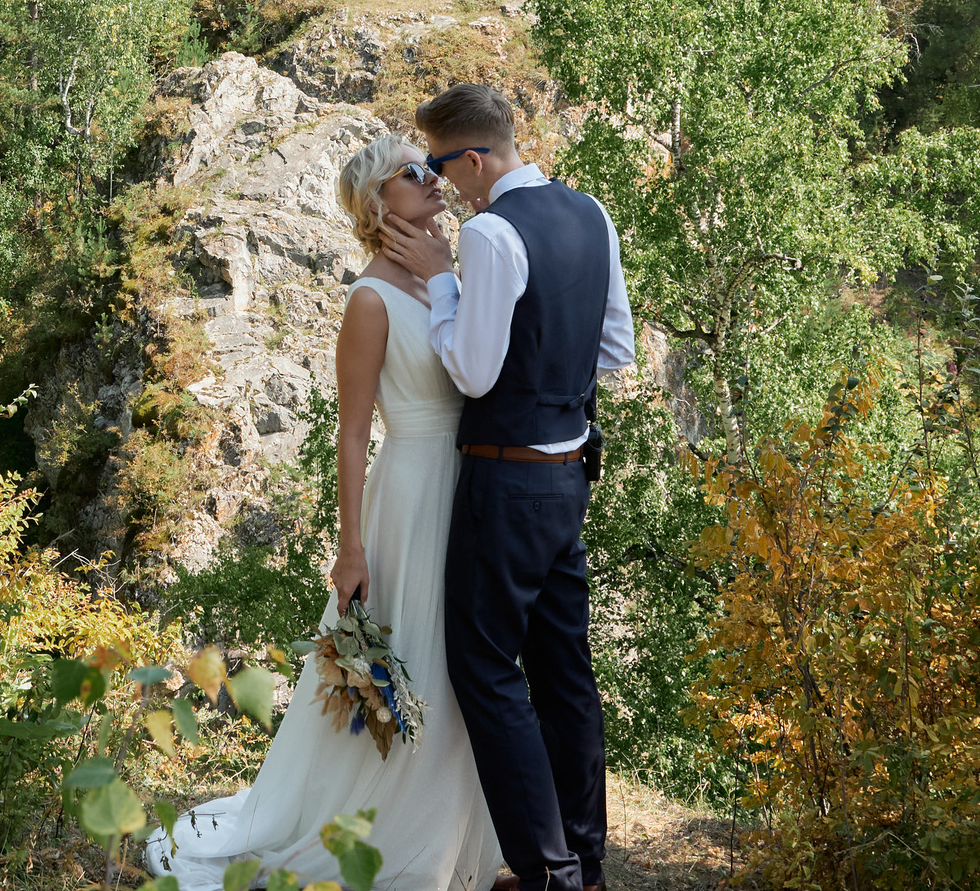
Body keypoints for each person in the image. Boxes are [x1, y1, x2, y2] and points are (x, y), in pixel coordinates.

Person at [145, 133, 504, 891]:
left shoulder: (442, 278)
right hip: (409, 494)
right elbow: (350, 430)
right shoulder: (370, 298)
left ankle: (448, 841)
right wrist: (351, 548)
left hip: (465, 488)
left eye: (428, 164)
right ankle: (390, 840)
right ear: (380, 205)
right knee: (410, 664)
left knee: (459, 662)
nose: (431, 176)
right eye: (413, 172)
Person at [384, 83, 633, 891]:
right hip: (569, 477)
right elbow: (616, 346)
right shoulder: (590, 211)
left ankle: (544, 871)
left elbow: (474, 369)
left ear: (477, 157)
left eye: (440, 164)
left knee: (486, 669)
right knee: (565, 670)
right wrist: (549, 374)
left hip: (507, 481)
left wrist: (444, 280)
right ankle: (586, 863)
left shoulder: (490, 232)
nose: (442, 180)